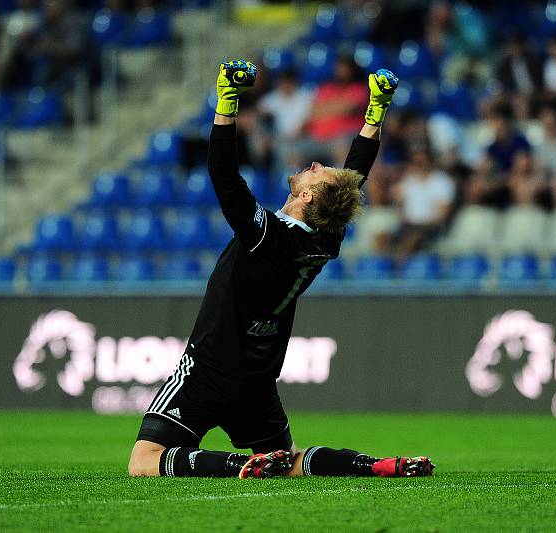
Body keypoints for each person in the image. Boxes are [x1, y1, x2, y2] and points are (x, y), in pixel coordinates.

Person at [128, 60, 434, 479]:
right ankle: (371, 464)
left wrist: (227, 102)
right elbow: (353, 179)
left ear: (308, 197)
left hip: (211, 366)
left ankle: (241, 463)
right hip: (257, 377)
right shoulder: (325, 240)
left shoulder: (266, 235)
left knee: (145, 460)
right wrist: (374, 117)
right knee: (288, 460)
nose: (314, 166)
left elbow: (223, 174)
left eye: (318, 173)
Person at [380, 143, 455, 261]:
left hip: (430, 227)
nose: (419, 163)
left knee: (412, 239)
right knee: (381, 238)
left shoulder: (442, 181)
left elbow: (443, 214)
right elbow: (396, 199)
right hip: (408, 225)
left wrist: (423, 225)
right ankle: (381, 270)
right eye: (416, 160)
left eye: (422, 160)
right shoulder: (409, 181)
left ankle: (398, 272)